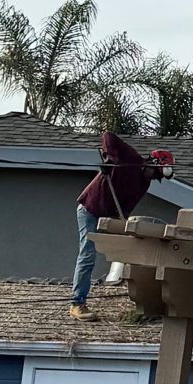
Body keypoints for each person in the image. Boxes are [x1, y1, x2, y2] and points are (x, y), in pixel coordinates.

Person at [71, 131, 170, 315]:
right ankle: (77, 303)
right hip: (90, 209)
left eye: (157, 178)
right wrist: (110, 160)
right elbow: (108, 136)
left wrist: (123, 226)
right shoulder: (130, 157)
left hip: (107, 216)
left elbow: (125, 208)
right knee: (88, 254)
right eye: (154, 173)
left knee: (124, 250)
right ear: (151, 163)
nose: (153, 178)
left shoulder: (144, 184)